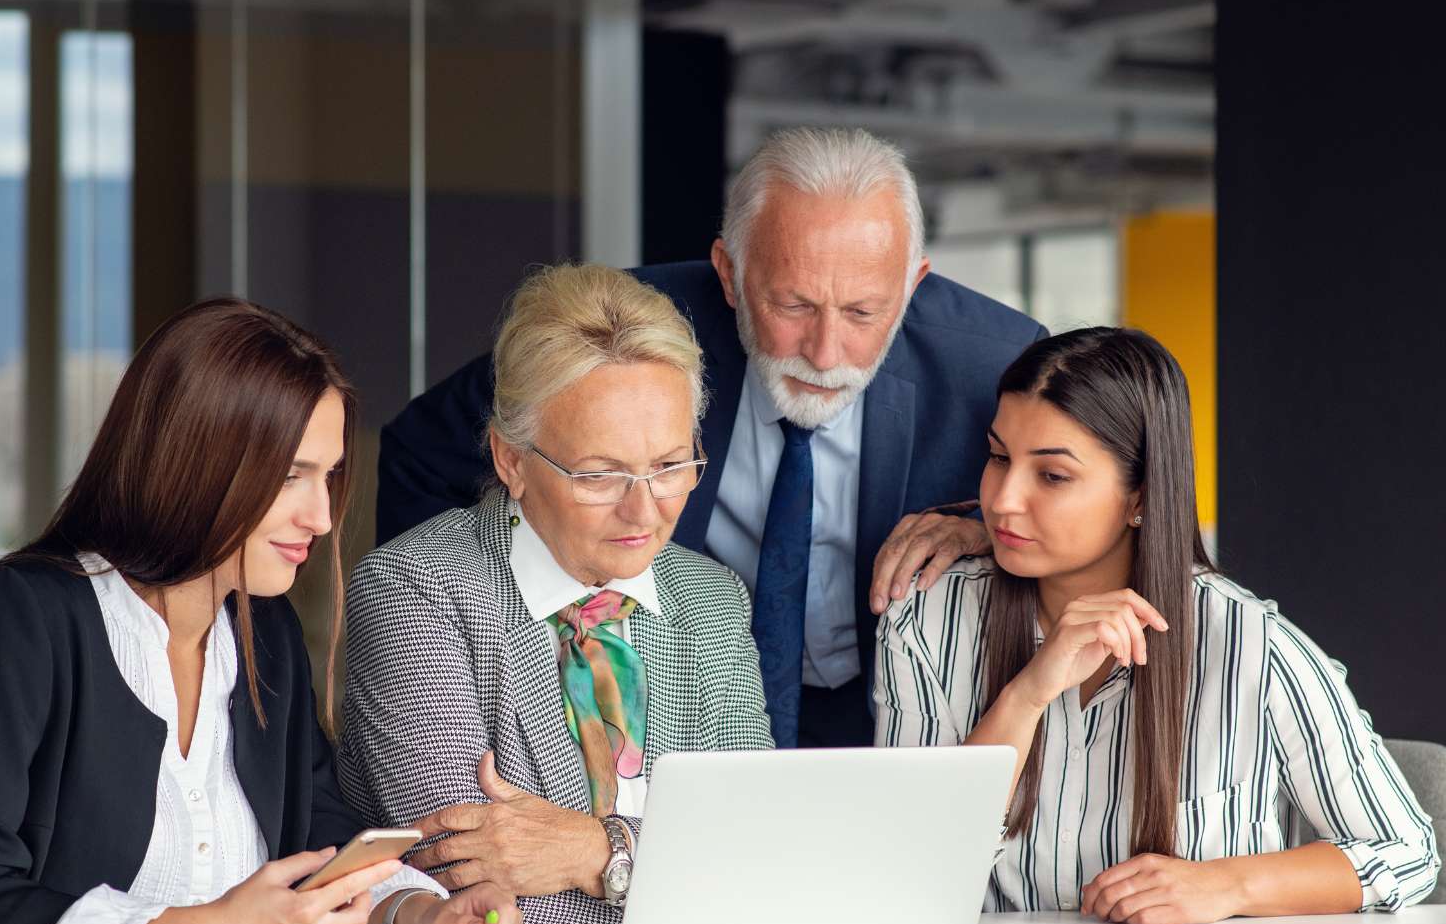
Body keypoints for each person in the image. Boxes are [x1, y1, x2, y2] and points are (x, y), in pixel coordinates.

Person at [0, 299, 520, 924]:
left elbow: (324, 845)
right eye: (290, 476)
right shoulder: (18, 620)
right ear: (193, 462)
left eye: (329, 474)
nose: (319, 515)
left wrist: (418, 915)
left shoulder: (265, 633)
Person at [377, 127, 1045, 748]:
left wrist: (992, 527)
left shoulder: (997, 365)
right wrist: (472, 648)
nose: (824, 351)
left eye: (865, 312)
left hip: (898, 715)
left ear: (912, 285)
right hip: (681, 709)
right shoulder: (625, 340)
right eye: (793, 306)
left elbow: (1111, 501)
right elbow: (419, 456)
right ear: (729, 273)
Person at [874, 327, 1441, 923]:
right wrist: (1028, 692)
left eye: (1052, 476)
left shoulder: (1247, 642)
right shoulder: (926, 622)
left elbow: (1406, 851)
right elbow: (906, 872)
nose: (1003, 499)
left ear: (1140, 496)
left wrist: (1226, 887)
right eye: (998, 457)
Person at [339, 264, 773, 924]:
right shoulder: (413, 588)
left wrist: (593, 854)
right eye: (600, 474)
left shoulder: (712, 598)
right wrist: (683, 865)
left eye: (669, 465)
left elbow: (763, 860)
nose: (644, 509)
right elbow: (467, 879)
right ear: (510, 460)